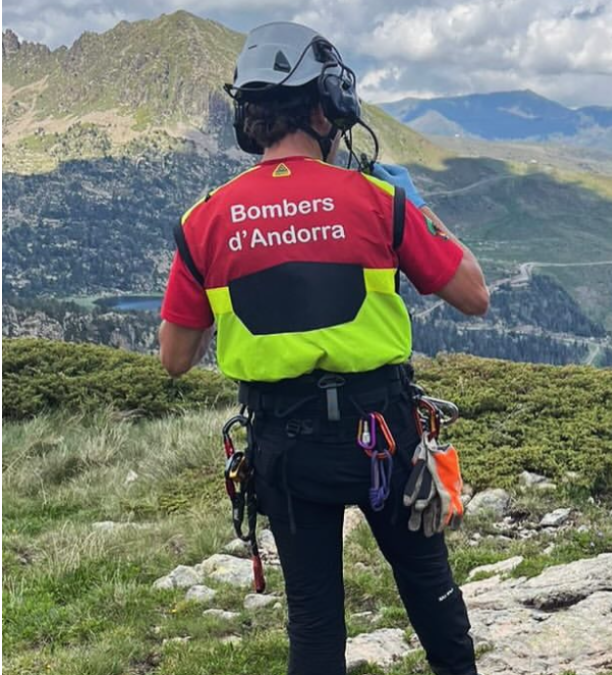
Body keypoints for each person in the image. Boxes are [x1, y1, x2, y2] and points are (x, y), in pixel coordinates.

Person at [157, 22, 487, 675]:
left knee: (313, 623)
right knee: (432, 596)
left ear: (249, 116)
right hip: (385, 435)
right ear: (324, 105)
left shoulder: (205, 220)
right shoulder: (378, 199)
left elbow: (174, 356)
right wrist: (416, 206)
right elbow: (474, 293)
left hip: (285, 444)